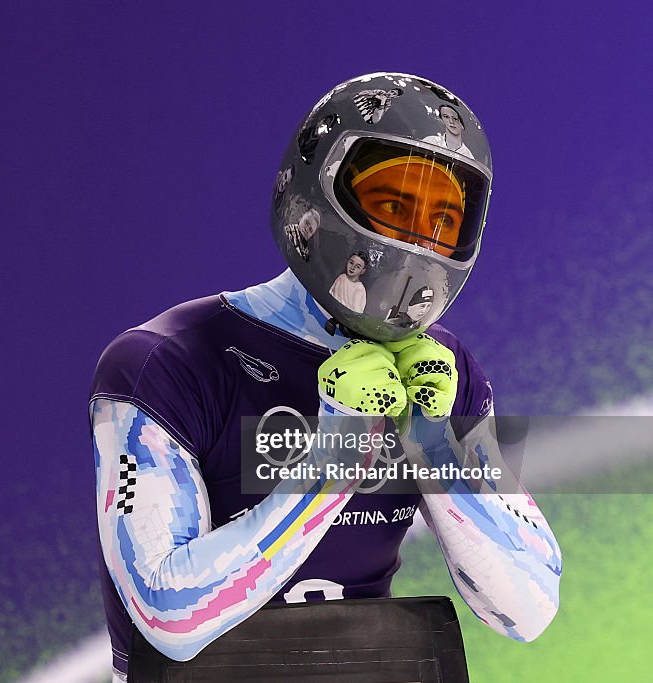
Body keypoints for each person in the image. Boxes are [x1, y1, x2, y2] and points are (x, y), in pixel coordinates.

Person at [92, 72, 561, 682]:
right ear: (317, 192)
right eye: (393, 206)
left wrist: (434, 444)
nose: (419, 242)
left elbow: (527, 610)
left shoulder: (443, 375)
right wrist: (333, 461)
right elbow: (169, 617)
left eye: (445, 221)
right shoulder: (165, 362)